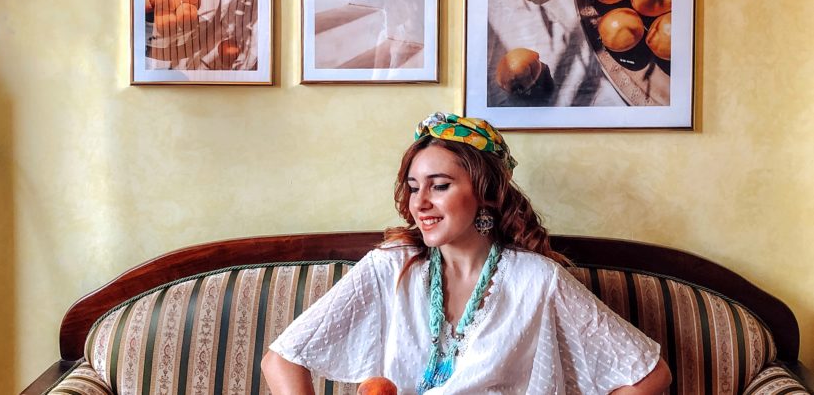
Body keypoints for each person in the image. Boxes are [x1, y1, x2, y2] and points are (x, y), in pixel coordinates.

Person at [262, 112, 672, 394]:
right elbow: (280, 361)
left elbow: (649, 376)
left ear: (486, 192)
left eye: (439, 186)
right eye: (413, 187)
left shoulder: (537, 280)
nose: (420, 202)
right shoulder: (389, 267)